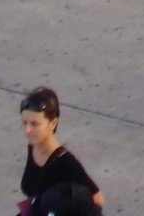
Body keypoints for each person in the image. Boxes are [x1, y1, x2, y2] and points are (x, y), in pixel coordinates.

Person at [18, 86, 104, 216]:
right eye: (25, 123)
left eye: (35, 124)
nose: (27, 130)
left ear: (53, 123)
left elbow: (97, 199)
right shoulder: (33, 146)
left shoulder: (65, 162)